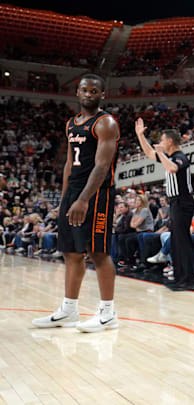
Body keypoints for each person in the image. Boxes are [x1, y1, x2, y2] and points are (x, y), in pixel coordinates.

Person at [33, 74, 121, 332]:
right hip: (74, 193)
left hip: (98, 195)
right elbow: (70, 164)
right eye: (85, 90)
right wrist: (65, 199)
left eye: (95, 91)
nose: (89, 94)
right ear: (77, 93)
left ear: (102, 95)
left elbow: (103, 165)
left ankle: (108, 313)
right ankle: (69, 310)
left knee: (98, 252)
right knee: (71, 252)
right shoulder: (72, 123)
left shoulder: (105, 123)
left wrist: (84, 199)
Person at [135, 120, 194, 290]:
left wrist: (161, 154)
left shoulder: (180, 157)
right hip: (175, 203)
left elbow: (172, 169)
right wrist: (140, 135)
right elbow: (148, 153)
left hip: (183, 201)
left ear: (169, 141)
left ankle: (188, 280)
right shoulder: (168, 157)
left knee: (182, 240)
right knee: (176, 240)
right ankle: (179, 277)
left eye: (162, 141)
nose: (159, 144)